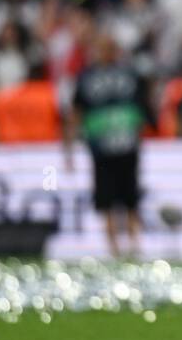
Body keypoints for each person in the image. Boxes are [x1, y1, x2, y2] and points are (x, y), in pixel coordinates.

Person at [65, 30, 154, 260]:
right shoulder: (87, 77)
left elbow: (143, 109)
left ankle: (134, 244)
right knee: (106, 199)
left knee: (130, 197)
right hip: (101, 147)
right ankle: (113, 248)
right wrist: (69, 146)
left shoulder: (129, 74)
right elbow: (76, 111)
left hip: (126, 145)